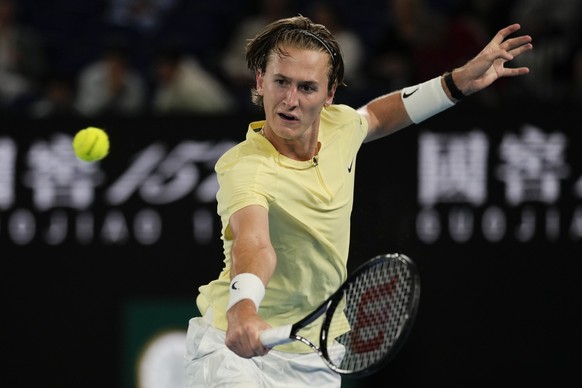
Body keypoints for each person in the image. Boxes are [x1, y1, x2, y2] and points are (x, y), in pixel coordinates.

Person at [185, 15, 532, 387]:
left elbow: (380, 115)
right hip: (233, 348)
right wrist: (243, 309)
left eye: (307, 88)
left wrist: (458, 81)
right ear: (260, 81)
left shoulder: (340, 126)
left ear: (329, 94)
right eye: (280, 82)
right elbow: (254, 243)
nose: (290, 100)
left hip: (312, 358)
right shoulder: (245, 167)